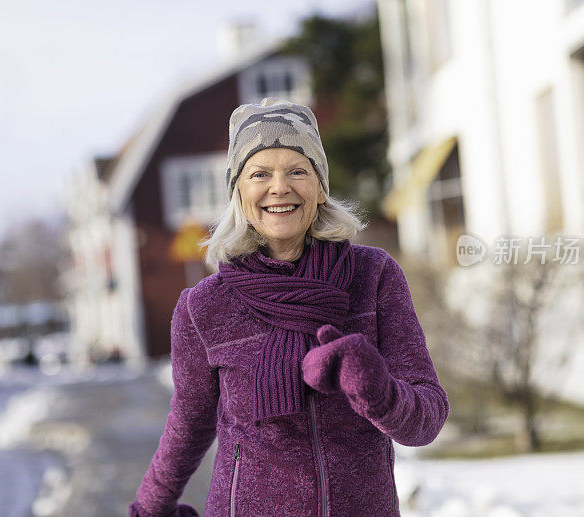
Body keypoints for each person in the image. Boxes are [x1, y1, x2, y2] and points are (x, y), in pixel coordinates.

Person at [129, 97, 449, 516]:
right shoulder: (204, 307)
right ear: (238, 191)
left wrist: (379, 391)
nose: (279, 187)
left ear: (319, 187)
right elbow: (188, 426)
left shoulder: (372, 277)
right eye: (259, 173)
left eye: (297, 170)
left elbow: (428, 418)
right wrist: (149, 509)